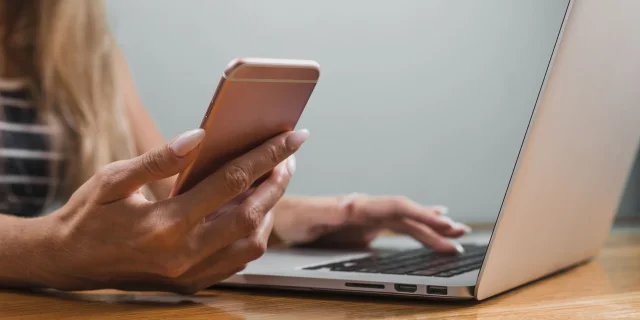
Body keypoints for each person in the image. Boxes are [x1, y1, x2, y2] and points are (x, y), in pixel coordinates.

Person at [0, 0, 470, 294]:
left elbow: (176, 202)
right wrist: (53, 249)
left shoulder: (83, 50)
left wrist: (331, 214)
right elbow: (61, 243)